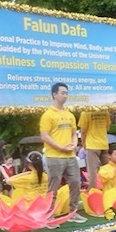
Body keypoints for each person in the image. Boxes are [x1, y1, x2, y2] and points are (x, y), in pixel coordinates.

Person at [40, 82, 87, 223]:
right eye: (62, 93)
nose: (65, 95)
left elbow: (74, 132)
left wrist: (73, 144)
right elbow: (44, 136)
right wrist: (60, 147)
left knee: (75, 182)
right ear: (54, 94)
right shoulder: (47, 115)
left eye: (66, 93)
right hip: (54, 156)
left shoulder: (70, 115)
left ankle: (73, 212)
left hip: (70, 156)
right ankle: (49, 215)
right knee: (53, 186)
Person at [78, 111, 111, 190]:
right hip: (104, 143)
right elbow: (108, 127)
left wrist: (84, 144)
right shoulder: (105, 111)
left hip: (92, 144)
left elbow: (83, 131)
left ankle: (92, 191)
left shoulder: (85, 113)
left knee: (92, 172)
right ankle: (110, 188)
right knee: (108, 169)